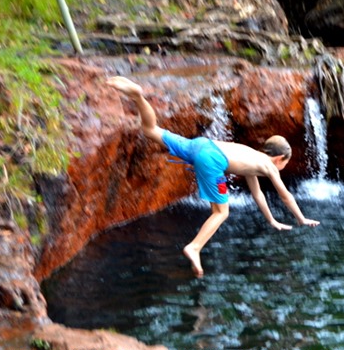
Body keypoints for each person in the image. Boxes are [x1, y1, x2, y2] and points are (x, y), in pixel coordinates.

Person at [106, 76, 320, 277]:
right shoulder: (269, 166)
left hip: (201, 144)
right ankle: (194, 247)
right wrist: (301, 218)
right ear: (279, 158)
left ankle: (138, 96)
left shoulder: (253, 159)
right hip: (212, 160)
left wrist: (272, 220)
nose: (282, 168)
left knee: (151, 130)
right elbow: (286, 196)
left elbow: (258, 195)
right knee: (221, 212)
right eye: (285, 164)